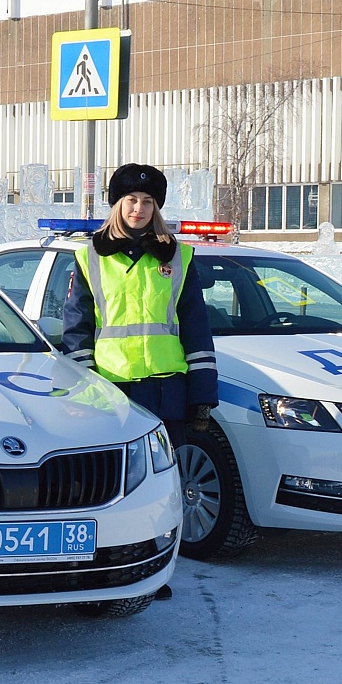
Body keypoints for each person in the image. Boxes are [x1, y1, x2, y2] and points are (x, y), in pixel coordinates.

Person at [62, 164, 219, 594]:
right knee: (106, 487)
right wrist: (85, 391)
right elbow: (76, 333)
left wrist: (202, 395)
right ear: (116, 205)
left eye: (148, 202)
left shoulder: (179, 257)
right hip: (110, 393)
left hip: (166, 390)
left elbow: (196, 329)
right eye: (131, 200)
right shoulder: (88, 257)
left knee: (160, 489)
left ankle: (152, 571)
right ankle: (97, 567)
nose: (139, 208)